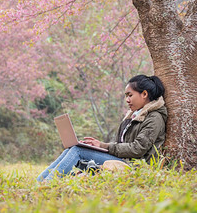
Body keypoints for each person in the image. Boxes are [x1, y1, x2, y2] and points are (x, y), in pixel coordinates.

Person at [37, 74, 167, 182]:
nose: (127, 100)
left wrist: (105, 146)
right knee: (72, 148)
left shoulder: (154, 118)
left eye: (130, 95)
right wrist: (99, 145)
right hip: (123, 160)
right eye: (126, 96)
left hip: (134, 166)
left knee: (77, 151)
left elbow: (138, 149)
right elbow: (121, 145)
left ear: (144, 94)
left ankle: (47, 184)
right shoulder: (133, 116)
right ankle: (40, 181)